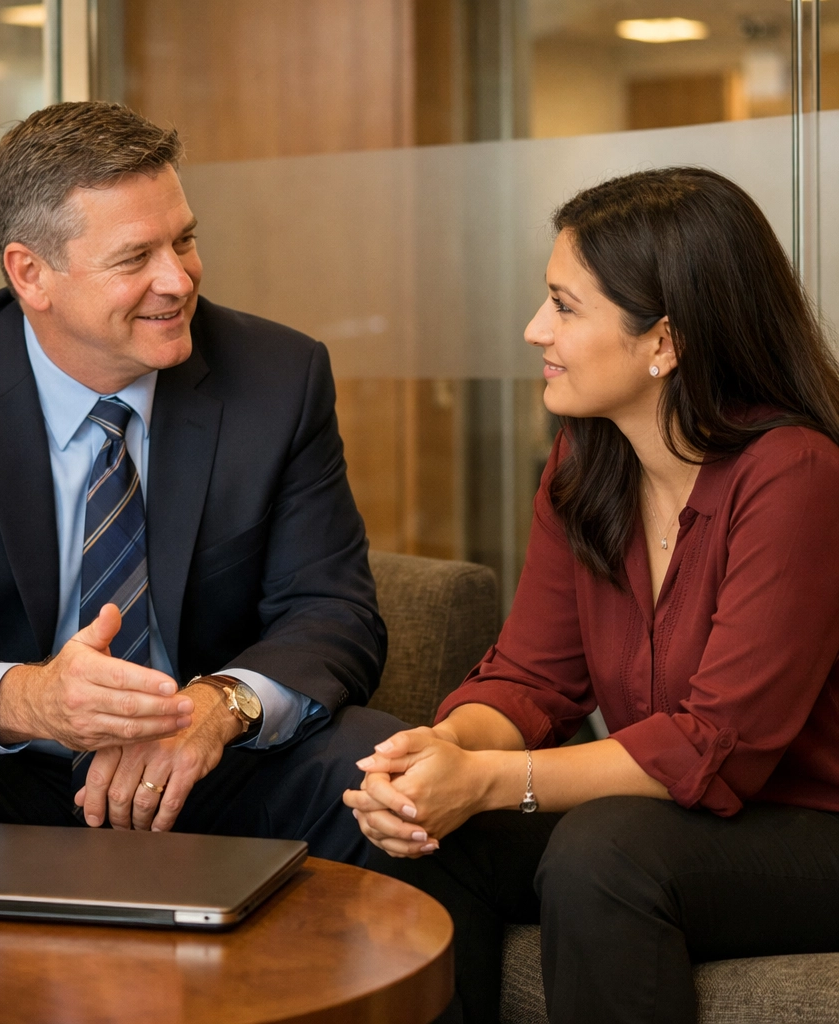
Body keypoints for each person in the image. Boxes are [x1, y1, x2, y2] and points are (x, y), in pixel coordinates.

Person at [0, 101, 399, 863]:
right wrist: (30, 701)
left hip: (201, 767)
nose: (177, 279)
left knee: (379, 768)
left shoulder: (277, 378)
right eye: (135, 258)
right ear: (31, 274)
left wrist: (217, 706)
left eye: (184, 241)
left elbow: (333, 610)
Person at [345, 167, 839, 1023]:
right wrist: (442, 752)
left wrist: (493, 781)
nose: (535, 329)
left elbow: (715, 746)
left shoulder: (796, 476)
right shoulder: (586, 463)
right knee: (428, 834)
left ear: (665, 341)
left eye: (565, 306)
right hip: (677, 818)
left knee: (603, 852)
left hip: (811, 825)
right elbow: (531, 678)